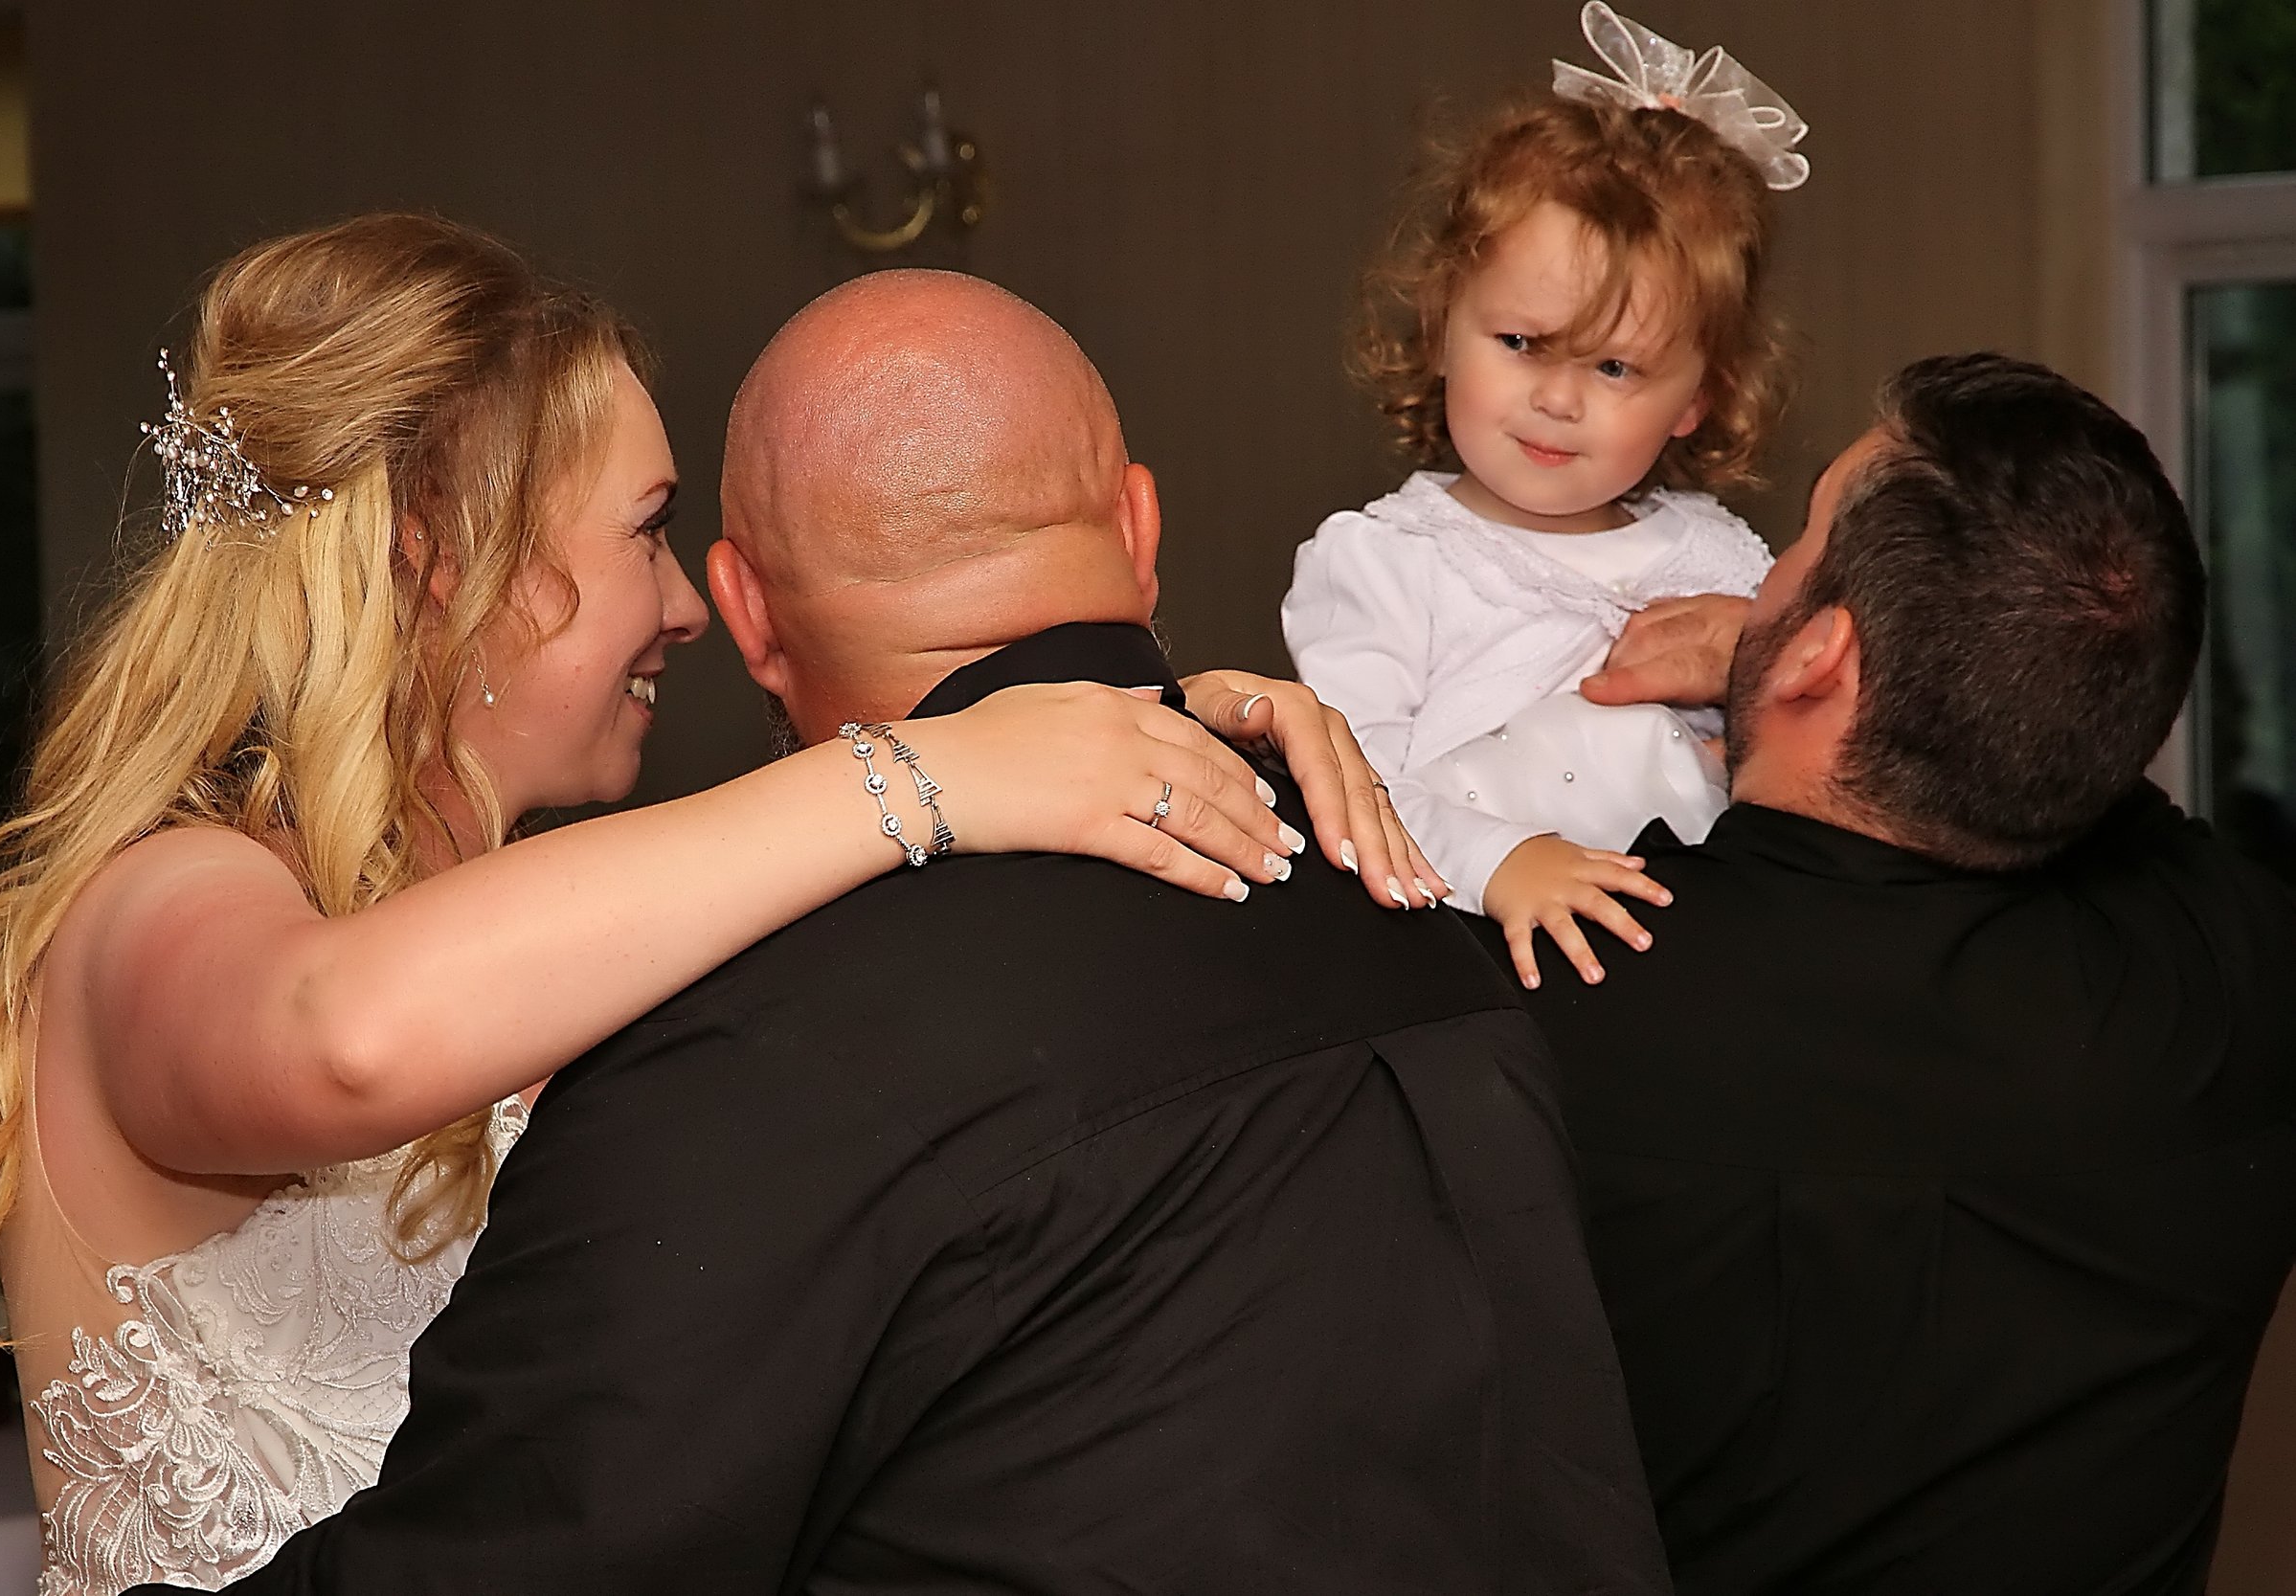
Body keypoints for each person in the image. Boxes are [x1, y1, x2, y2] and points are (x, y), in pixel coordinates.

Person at [0, 215, 1429, 1596]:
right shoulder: (158, 897)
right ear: (443, 563)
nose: (690, 607)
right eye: (643, 529)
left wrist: (1138, 720)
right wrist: (930, 767)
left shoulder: (549, 927)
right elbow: (346, 1036)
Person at [155, 268, 1672, 1596]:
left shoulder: (760, 1044)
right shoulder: (1392, 890)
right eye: (645, 534)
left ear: (753, 613)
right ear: (1140, 528)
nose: (677, 606)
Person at [1502, 352, 2296, 1593]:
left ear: (1823, 655)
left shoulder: (1558, 1018)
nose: (1757, 582)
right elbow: (2079, 734)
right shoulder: (2231, 988)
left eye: (1797, 541)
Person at [1283, 3, 1811, 989]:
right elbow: (1355, 786)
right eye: (1521, 343)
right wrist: (1501, 860)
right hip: (1480, 972)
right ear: (1443, 325)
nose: (1558, 399)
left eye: (1614, 367)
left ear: (1697, 397)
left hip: (1710, 968)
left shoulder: (1727, 560)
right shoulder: (1385, 561)